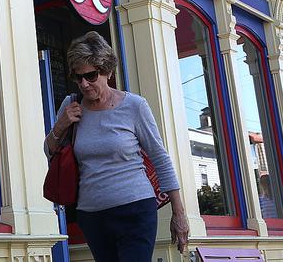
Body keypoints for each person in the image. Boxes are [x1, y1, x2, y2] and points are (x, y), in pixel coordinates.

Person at [44, 31, 189, 261]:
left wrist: (179, 213)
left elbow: (160, 158)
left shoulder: (135, 106)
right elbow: (49, 152)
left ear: (107, 71)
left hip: (136, 210)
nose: (84, 83)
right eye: (78, 77)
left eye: (91, 76)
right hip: (92, 215)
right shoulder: (71, 105)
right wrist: (61, 126)